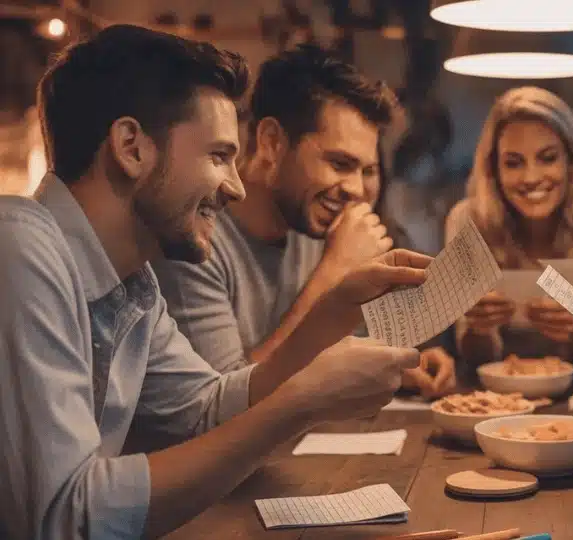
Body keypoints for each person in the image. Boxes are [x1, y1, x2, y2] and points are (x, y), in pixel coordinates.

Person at [0, 25, 431, 539]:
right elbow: (69, 517)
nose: (236, 185)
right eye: (219, 156)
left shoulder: (132, 285)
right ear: (131, 147)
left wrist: (332, 313)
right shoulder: (19, 249)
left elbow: (206, 411)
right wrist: (301, 403)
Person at [152, 45, 455, 397]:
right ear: (272, 143)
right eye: (340, 164)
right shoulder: (195, 241)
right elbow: (224, 408)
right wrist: (335, 274)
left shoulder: (312, 221)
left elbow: (329, 357)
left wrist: (398, 365)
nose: (357, 190)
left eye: (368, 170)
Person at [447, 86, 573, 370]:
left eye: (548, 158)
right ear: (494, 171)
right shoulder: (466, 220)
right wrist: (480, 328)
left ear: (571, 161)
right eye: (513, 163)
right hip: (495, 395)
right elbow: (474, 355)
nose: (532, 177)